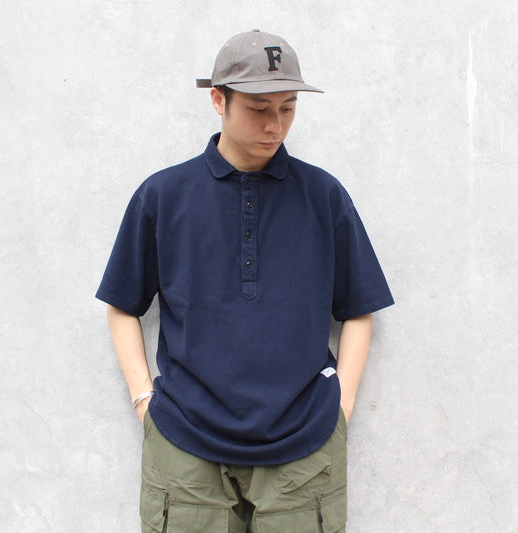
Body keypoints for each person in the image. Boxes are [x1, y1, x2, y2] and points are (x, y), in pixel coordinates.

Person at [96, 29, 394, 533]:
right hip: (184, 446)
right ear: (219, 99)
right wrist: (145, 402)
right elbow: (122, 303)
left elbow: (359, 308)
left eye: (288, 108)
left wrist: (340, 408)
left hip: (303, 447)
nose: (275, 125)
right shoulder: (164, 195)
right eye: (259, 109)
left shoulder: (323, 196)